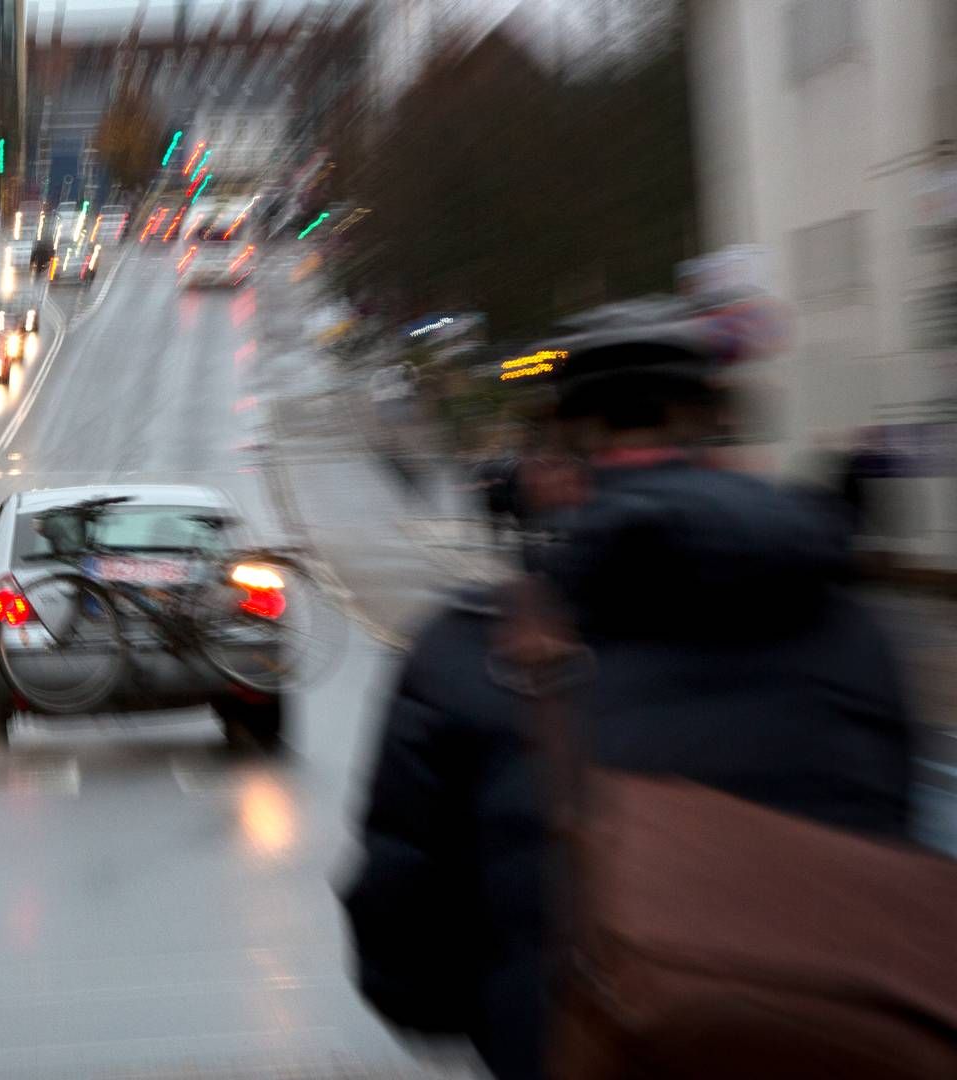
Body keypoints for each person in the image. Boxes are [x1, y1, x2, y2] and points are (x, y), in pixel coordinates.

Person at [340, 323, 917, 1080]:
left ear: (561, 455)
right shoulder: (856, 634)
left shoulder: (470, 650)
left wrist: (513, 1010)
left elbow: (403, 956)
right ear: (719, 435)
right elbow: (894, 854)